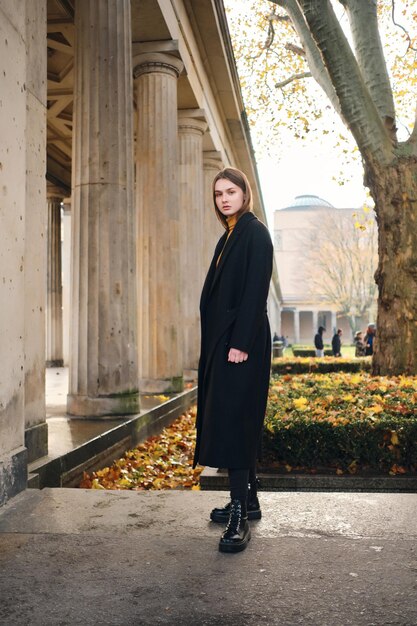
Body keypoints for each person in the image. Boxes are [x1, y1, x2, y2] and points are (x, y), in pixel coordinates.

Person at [194, 167, 273, 554]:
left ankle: (240, 515)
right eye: (218, 194)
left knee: (235, 421)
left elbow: (256, 290)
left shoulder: (254, 232)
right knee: (233, 417)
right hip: (225, 343)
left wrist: (240, 342)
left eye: (230, 191)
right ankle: (249, 500)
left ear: (245, 193)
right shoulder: (229, 235)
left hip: (242, 344)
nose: (223, 198)